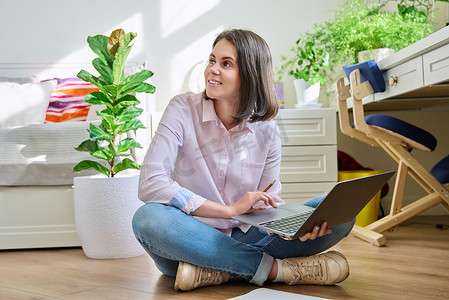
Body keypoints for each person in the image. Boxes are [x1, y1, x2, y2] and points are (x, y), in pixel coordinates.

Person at [132, 29, 355, 291]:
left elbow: (269, 202)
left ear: (250, 74)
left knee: (339, 214)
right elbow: (150, 183)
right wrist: (228, 210)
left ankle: (220, 270)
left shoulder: (267, 129)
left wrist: (294, 228)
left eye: (226, 64)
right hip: (190, 238)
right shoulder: (181, 109)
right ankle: (276, 270)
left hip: (250, 236)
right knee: (148, 218)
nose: (212, 69)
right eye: (212, 60)